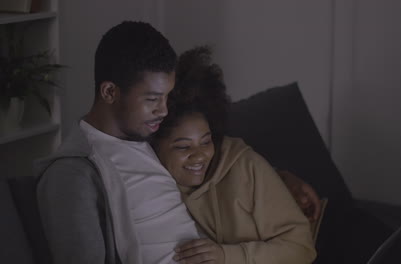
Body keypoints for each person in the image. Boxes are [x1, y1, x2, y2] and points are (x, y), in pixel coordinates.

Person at [35, 21, 321, 264]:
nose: (164, 109)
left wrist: (278, 176)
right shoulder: (73, 175)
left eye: (166, 97)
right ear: (110, 91)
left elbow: (210, 160)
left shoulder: (149, 137)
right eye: (152, 99)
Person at [151, 46, 318, 264]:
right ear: (154, 145)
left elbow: (302, 249)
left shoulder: (245, 167)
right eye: (183, 147)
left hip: (330, 236)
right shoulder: (150, 181)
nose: (199, 156)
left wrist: (227, 255)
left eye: (206, 141)